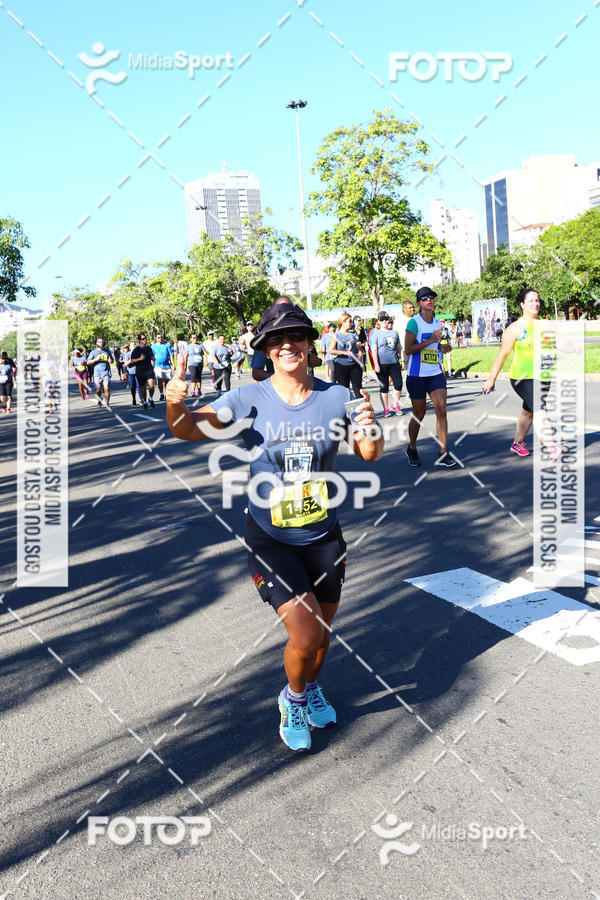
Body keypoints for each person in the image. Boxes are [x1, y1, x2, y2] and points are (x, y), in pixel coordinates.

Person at [165, 299, 383, 751]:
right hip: (271, 538)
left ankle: (310, 686)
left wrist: (371, 425)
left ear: (310, 343)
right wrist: (174, 403)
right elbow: (187, 429)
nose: (287, 345)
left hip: (324, 535)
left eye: (296, 336)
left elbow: (369, 454)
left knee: (321, 634)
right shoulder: (247, 399)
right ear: (265, 348)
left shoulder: (336, 397)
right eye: (276, 339)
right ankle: (293, 698)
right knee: (305, 632)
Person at [481, 287, 568, 459]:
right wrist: (491, 379)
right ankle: (552, 447)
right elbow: (502, 355)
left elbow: (559, 343)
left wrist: (573, 348)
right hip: (522, 378)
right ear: (522, 304)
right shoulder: (515, 328)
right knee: (540, 409)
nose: (535, 303)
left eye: (537, 300)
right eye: (531, 301)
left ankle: (517, 443)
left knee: (528, 411)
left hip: (542, 376)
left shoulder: (546, 324)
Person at [404, 287, 457, 468]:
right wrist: (431, 341)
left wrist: (442, 347)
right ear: (419, 302)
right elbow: (409, 349)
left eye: (432, 297)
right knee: (419, 413)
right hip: (417, 375)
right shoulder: (414, 323)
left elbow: (434, 348)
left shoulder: (436, 324)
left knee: (441, 409)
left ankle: (443, 453)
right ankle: (412, 448)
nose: (429, 300)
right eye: (425, 298)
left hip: (435, 373)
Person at [372, 313, 403, 416]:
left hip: (394, 362)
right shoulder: (376, 334)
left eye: (386, 319)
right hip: (382, 364)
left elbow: (399, 347)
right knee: (384, 387)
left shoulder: (394, 332)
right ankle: (386, 409)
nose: (384, 321)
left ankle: (395, 404)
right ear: (379, 321)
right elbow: (374, 350)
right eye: (382, 319)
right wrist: (376, 364)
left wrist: (402, 360)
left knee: (398, 384)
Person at [330, 312, 363, 398]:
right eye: (350, 321)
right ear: (343, 322)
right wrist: (344, 352)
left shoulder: (353, 334)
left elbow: (357, 347)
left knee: (358, 390)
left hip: (354, 364)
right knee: (344, 390)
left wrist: (360, 351)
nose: (351, 323)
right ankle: (347, 406)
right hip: (341, 365)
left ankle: (361, 406)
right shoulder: (336, 335)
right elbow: (331, 350)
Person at [129, 333, 155, 409]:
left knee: (151, 385)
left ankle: (150, 398)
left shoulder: (149, 348)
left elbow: (152, 357)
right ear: (139, 340)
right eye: (143, 339)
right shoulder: (136, 350)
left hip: (149, 369)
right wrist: (139, 359)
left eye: (145, 338)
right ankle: (145, 401)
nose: (145, 340)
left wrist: (153, 359)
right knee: (143, 388)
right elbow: (132, 360)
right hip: (140, 371)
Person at [87, 337, 114, 409]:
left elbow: (112, 360)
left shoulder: (107, 351)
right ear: (96, 343)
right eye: (99, 342)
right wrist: (95, 359)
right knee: (98, 390)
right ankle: (99, 400)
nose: (101, 343)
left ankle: (107, 404)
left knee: (106, 388)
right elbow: (88, 362)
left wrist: (110, 361)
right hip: (97, 374)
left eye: (102, 342)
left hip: (106, 373)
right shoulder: (93, 352)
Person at [152, 333, 174, 400]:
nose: (160, 338)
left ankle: (167, 393)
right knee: (160, 379)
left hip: (166, 366)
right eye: (158, 337)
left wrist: (173, 364)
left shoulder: (166, 345)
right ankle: (161, 394)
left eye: (161, 337)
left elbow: (171, 355)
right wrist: (152, 366)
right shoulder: (153, 346)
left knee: (167, 381)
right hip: (157, 366)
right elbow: (151, 357)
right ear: (156, 338)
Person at [121, 341, 139, 405]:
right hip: (131, 372)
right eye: (132, 345)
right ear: (130, 347)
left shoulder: (139, 352)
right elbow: (126, 364)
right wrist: (131, 360)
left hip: (139, 371)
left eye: (134, 344)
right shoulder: (128, 354)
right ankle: (134, 399)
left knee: (139, 386)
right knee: (133, 386)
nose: (133, 346)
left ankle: (141, 399)